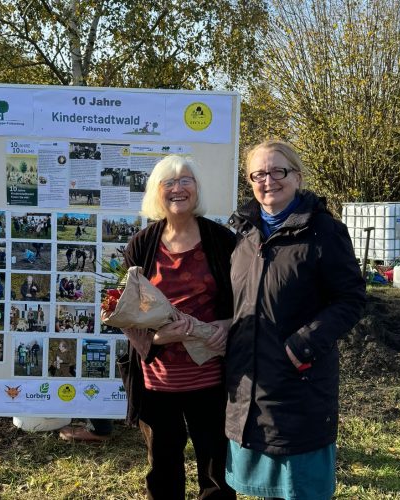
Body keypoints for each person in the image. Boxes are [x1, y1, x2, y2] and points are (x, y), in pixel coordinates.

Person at [59, 155, 236, 500]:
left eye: (186, 180)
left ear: (197, 189)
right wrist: (158, 337)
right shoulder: (141, 244)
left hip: (211, 376)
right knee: (163, 468)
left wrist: (227, 325)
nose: (178, 188)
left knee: (216, 470)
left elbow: (244, 298)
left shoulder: (222, 240)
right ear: (156, 192)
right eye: (168, 182)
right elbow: (120, 310)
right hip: (157, 378)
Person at [224, 140, 366, 500]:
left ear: (297, 176)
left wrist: (303, 344)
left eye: (278, 171)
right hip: (250, 385)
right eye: (259, 173)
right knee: (262, 490)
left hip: (299, 383)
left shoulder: (323, 232)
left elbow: (350, 299)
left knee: (302, 489)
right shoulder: (243, 233)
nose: (268, 180)